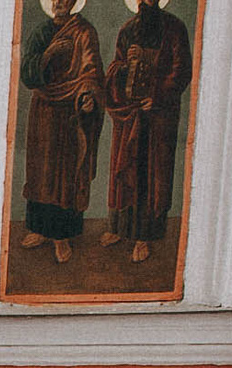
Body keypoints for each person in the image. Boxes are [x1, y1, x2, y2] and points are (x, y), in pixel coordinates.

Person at [105, 0, 194, 264]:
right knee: (126, 168)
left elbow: (181, 70)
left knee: (151, 173)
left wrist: (156, 95)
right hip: (129, 111)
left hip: (158, 115)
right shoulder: (127, 29)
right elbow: (115, 68)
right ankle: (119, 228)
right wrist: (125, 65)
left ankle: (144, 237)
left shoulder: (174, 28)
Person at [18, 0, 105, 264]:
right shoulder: (41, 33)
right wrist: (47, 54)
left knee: (66, 173)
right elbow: (27, 72)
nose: (59, 3)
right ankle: (40, 230)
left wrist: (88, 95)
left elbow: (91, 71)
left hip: (70, 112)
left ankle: (62, 237)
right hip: (44, 111)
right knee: (42, 171)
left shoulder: (84, 31)